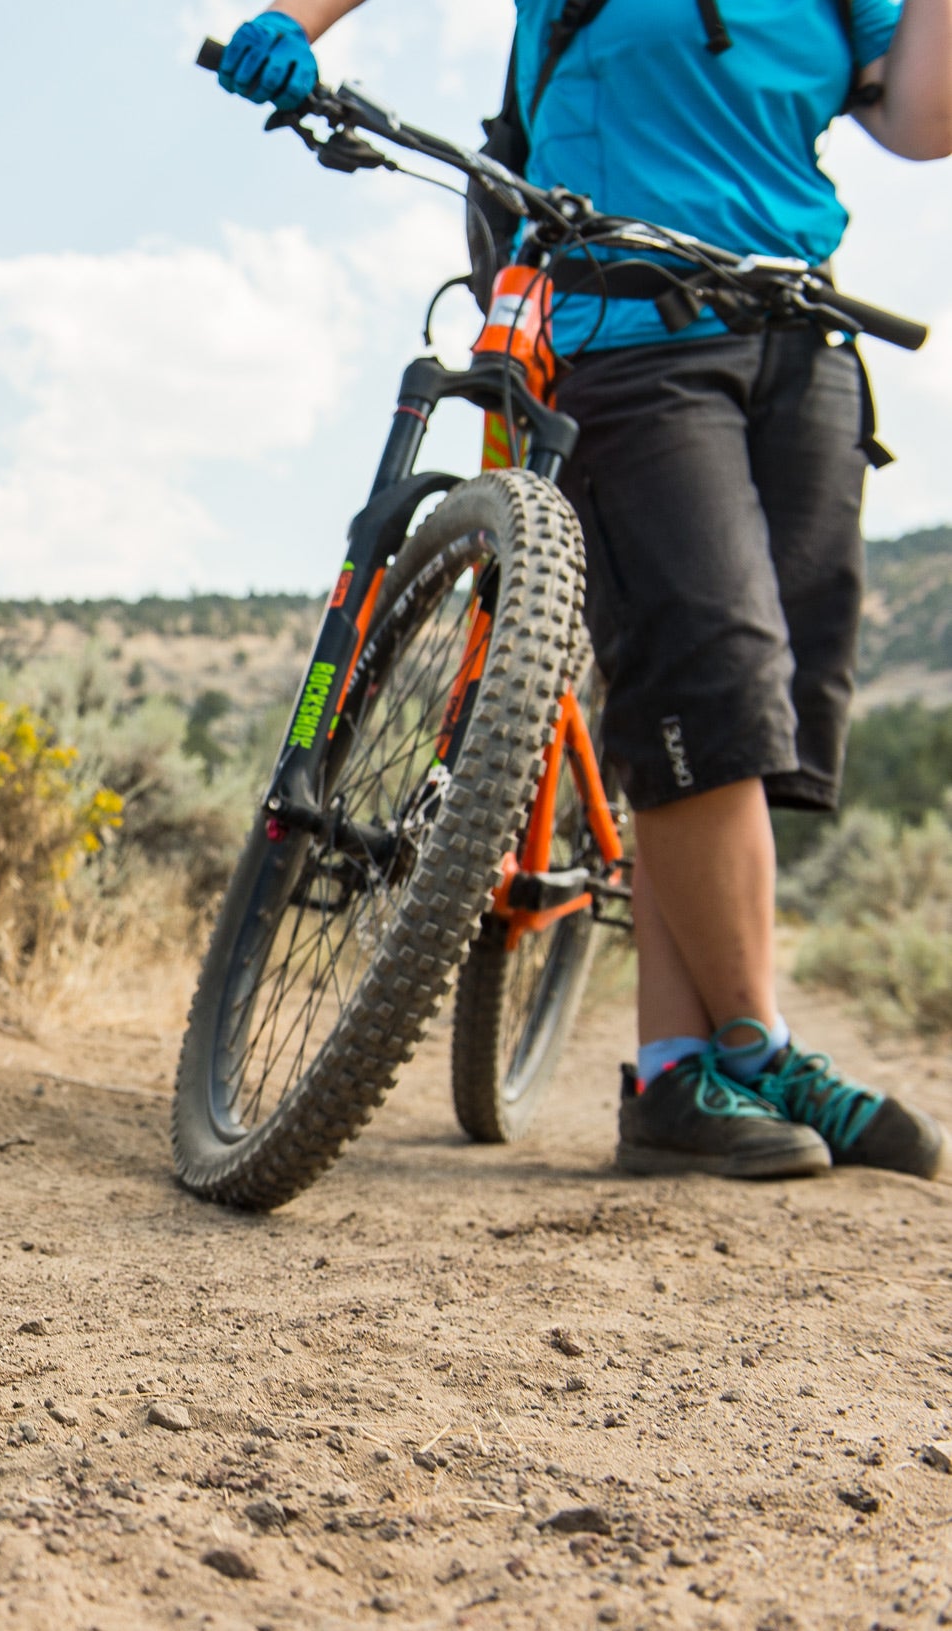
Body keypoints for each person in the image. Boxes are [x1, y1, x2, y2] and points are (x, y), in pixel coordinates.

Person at [216, 0, 952, 1180]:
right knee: (709, 667)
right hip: (624, 327)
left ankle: (673, 1074)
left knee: (745, 724)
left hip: (801, 332)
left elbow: (923, 120)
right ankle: (760, 1047)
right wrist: (293, 22)